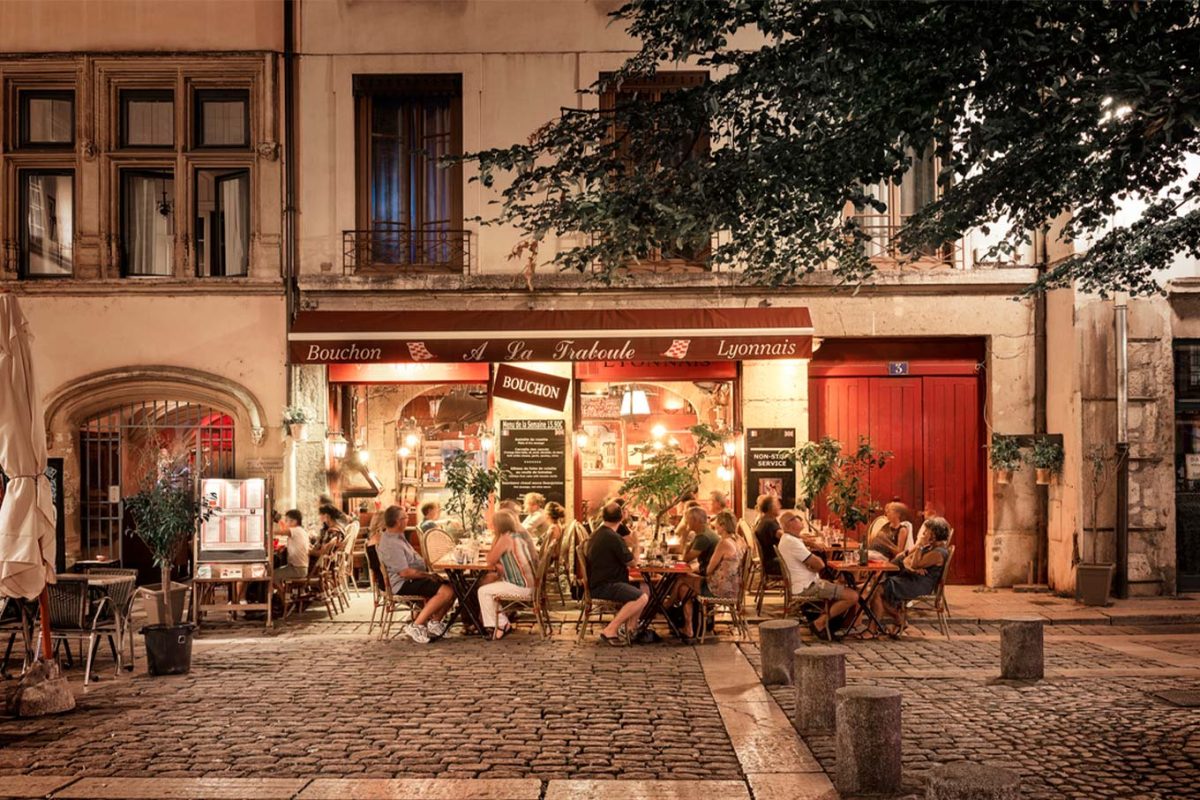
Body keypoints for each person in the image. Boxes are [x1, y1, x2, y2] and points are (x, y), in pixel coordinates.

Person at [376, 505, 456, 644]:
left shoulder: (397, 536)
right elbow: (405, 573)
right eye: (405, 517)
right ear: (398, 522)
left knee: (454, 587)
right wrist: (428, 575)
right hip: (403, 583)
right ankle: (416, 626)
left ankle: (435, 623)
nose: (408, 520)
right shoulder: (392, 544)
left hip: (411, 578)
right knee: (446, 591)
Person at [777, 513, 859, 638]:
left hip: (805, 583)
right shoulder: (792, 542)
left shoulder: (788, 539)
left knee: (839, 583)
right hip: (807, 586)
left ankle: (830, 623)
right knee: (852, 596)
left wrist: (810, 547)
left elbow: (815, 563)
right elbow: (820, 565)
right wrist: (814, 562)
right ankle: (819, 623)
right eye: (797, 519)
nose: (800, 520)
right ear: (790, 524)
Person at [870, 516, 952, 634]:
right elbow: (907, 560)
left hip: (919, 584)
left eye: (927, 531)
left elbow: (914, 563)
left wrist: (920, 546)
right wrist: (914, 566)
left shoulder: (938, 553)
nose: (923, 534)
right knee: (877, 587)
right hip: (912, 579)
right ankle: (893, 621)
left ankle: (889, 622)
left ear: (934, 534)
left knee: (877, 590)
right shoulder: (931, 547)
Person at [587, 501, 649, 645]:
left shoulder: (599, 533)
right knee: (642, 598)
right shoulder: (613, 537)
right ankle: (611, 629)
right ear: (621, 518)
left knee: (644, 587)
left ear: (603, 516)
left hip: (601, 580)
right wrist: (636, 544)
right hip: (606, 585)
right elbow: (632, 563)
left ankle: (630, 629)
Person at [477, 510, 538, 639]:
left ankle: (500, 625)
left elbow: (490, 559)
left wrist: (496, 538)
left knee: (483, 591)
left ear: (498, 525)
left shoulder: (505, 539)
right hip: (530, 584)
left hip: (521, 586)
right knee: (489, 584)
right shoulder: (516, 536)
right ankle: (500, 622)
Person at [670, 505, 720, 640]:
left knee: (680, 580)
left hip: (711, 581)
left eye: (687, 520)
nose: (686, 523)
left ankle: (667, 605)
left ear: (695, 520)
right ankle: (689, 627)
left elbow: (685, 558)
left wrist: (685, 535)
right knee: (683, 588)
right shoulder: (706, 533)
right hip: (711, 576)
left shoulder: (703, 537)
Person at [704, 510, 745, 599]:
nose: (714, 526)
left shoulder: (724, 543)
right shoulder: (740, 540)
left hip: (722, 589)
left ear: (722, 526)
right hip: (736, 588)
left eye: (716, 523)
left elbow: (709, 570)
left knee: (683, 580)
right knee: (686, 586)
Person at [274, 509, 310, 586]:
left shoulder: (295, 530)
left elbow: (279, 532)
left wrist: (266, 531)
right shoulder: (302, 531)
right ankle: (283, 591)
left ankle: (282, 593)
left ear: (294, 522)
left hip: (297, 569)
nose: (285, 523)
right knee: (277, 572)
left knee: (273, 575)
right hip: (300, 568)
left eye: (287, 520)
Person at [754, 495, 783, 576]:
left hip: (771, 562)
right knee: (803, 561)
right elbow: (786, 537)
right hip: (773, 564)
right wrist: (805, 540)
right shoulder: (769, 523)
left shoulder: (766, 520)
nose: (780, 506)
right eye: (777, 504)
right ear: (770, 507)